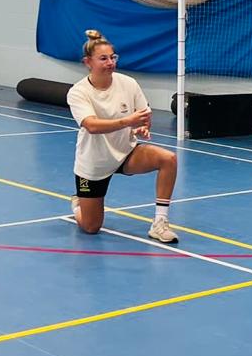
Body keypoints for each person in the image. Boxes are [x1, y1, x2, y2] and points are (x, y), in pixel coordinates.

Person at [67, 30, 179, 243]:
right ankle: (78, 203)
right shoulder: (78, 92)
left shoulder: (128, 83)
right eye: (103, 58)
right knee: (91, 227)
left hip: (126, 153)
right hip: (94, 164)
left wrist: (142, 127)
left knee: (168, 159)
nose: (110, 62)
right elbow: (91, 125)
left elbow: (144, 114)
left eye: (113, 57)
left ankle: (160, 223)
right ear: (87, 62)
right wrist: (128, 122)